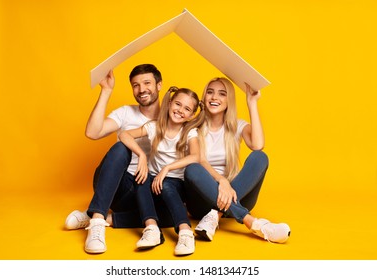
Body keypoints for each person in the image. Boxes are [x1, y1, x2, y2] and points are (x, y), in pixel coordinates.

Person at [64, 64, 174, 254]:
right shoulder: (125, 113)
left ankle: (100, 216)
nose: (141, 90)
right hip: (116, 185)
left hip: (145, 192)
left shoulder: (174, 115)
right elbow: (92, 132)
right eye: (135, 85)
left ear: (159, 85)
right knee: (121, 148)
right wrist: (106, 91)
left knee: (173, 215)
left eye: (147, 83)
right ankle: (97, 221)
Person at [184, 77, 291, 243]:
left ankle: (215, 215)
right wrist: (221, 181)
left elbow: (258, 145)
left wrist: (252, 103)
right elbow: (201, 161)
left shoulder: (237, 126)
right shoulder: (193, 129)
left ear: (229, 101)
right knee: (192, 168)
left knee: (260, 157)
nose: (214, 98)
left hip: (236, 194)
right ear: (204, 98)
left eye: (222, 94)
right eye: (210, 92)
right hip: (200, 202)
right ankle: (255, 224)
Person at [119, 87, 205, 255]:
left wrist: (167, 168)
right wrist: (141, 155)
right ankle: (152, 229)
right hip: (153, 183)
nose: (180, 110)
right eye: (178, 104)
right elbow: (124, 134)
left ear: (192, 115)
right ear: (170, 103)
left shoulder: (190, 132)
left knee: (166, 185)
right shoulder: (154, 127)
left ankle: (185, 232)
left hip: (175, 186)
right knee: (141, 178)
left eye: (187, 109)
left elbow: (196, 157)